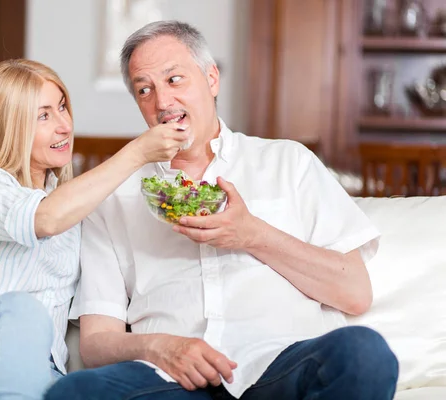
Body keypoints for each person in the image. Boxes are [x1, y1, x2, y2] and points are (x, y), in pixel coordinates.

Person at [45, 21, 399, 400]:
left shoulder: (288, 162)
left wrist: (252, 234)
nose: (162, 102)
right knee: (74, 392)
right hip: (171, 379)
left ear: (211, 79)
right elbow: (97, 342)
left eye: (175, 79)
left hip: (279, 365)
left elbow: (354, 292)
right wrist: (159, 347)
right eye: (144, 90)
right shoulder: (113, 195)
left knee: (365, 354)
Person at [0, 59, 190, 400]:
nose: (64, 126)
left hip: (35, 368)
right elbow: (44, 219)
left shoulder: (77, 210)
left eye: (62, 107)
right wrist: (137, 152)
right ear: (7, 127)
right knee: (19, 310)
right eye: (43, 115)